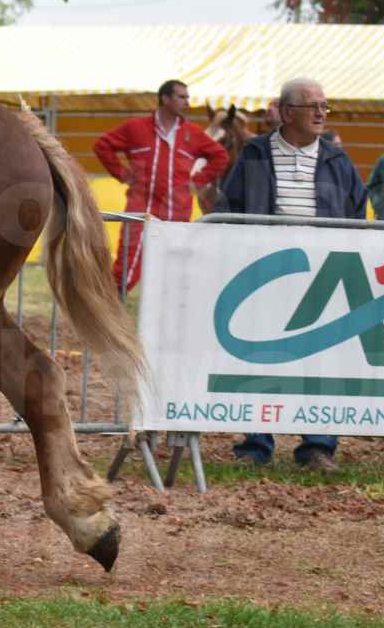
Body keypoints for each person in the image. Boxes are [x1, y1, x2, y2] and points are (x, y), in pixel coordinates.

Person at [219, 77, 367, 471]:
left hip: (324, 276)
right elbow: (230, 208)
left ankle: (318, 447)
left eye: (325, 105)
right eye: (312, 105)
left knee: (321, 364)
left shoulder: (338, 160)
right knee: (259, 359)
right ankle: (255, 446)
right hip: (263, 274)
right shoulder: (254, 154)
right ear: (286, 113)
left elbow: (357, 212)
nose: (321, 112)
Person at [93, 79, 229, 293]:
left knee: (174, 271)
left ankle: (169, 321)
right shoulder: (136, 128)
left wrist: (197, 182)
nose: (187, 102)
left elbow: (220, 156)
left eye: (187, 97)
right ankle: (110, 316)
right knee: (126, 268)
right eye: (182, 97)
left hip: (177, 211)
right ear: (165, 99)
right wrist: (123, 175)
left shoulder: (193, 133)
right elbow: (102, 146)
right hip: (140, 208)